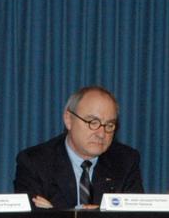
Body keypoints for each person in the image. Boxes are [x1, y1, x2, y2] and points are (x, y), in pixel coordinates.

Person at [13, 86, 143, 209]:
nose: (101, 134)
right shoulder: (34, 162)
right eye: (93, 122)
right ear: (69, 120)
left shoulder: (125, 161)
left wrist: (56, 212)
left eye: (109, 125)